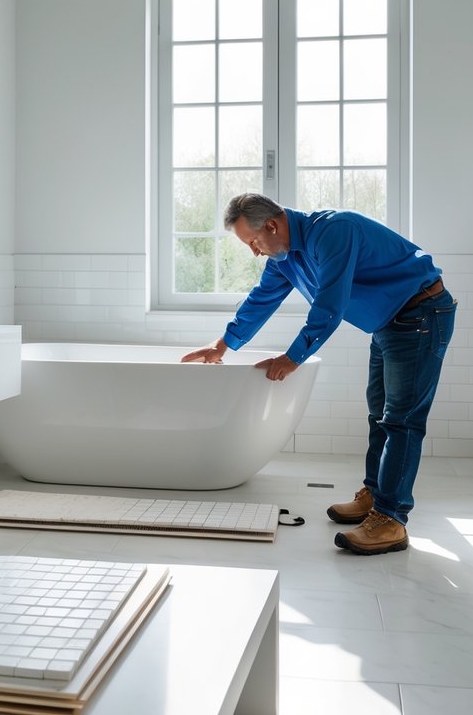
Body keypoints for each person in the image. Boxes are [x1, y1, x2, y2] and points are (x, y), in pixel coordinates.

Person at [182, 193, 456, 555]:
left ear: (273, 225)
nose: (255, 251)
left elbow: (331, 303)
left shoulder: (334, 231)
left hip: (421, 316)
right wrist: (223, 344)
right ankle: (376, 495)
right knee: (380, 415)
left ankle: (391, 519)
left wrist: (293, 357)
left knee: (402, 420)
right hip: (390, 323)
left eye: (253, 241)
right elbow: (261, 299)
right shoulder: (285, 257)